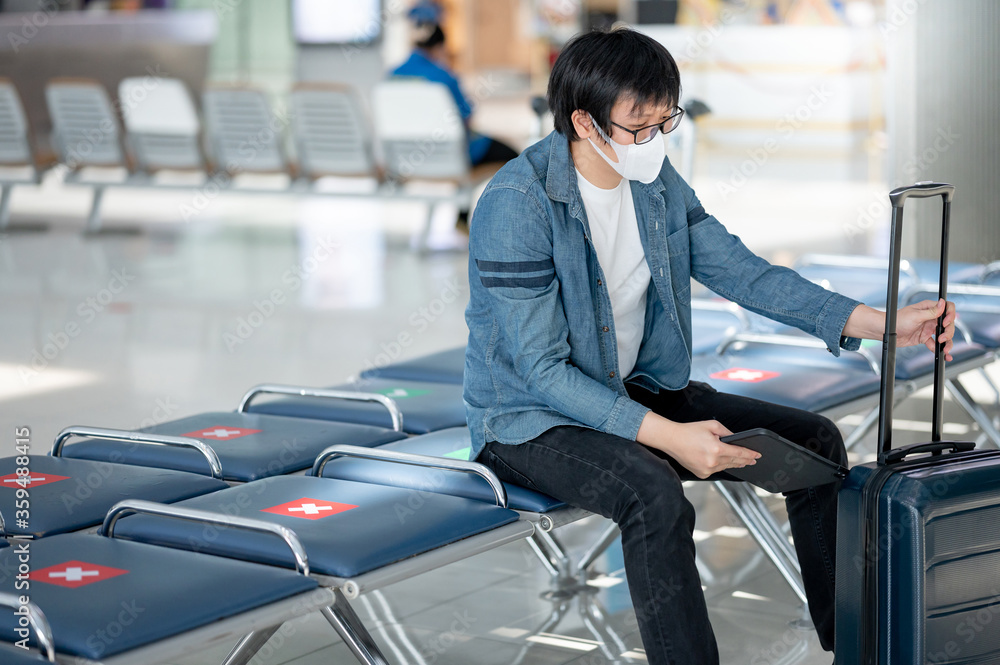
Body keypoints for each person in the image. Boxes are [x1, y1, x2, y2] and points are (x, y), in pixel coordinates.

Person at [463, 27, 956, 664]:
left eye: (663, 122)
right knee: (653, 493)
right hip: (530, 419)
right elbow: (540, 369)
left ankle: (852, 645)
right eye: (637, 126)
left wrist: (882, 323)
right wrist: (670, 437)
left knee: (817, 444)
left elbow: (745, 274)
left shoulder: (657, 185)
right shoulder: (517, 204)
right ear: (583, 123)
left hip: (628, 388)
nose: (652, 142)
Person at [391, 1, 519, 168]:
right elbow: (465, 118)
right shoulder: (443, 77)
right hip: (454, 155)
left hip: (408, 155)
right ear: (439, 47)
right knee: (515, 158)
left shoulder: (392, 77)